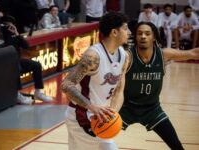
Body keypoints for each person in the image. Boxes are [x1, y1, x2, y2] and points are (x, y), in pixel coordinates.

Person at [119, 21, 199, 149]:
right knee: (98, 137)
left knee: (177, 146)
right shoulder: (127, 56)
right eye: (139, 33)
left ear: (154, 37)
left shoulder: (163, 55)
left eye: (147, 33)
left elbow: (193, 53)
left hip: (152, 109)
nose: (143, 36)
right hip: (126, 108)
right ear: (135, 37)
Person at [61, 12, 131, 150]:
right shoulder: (93, 57)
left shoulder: (124, 56)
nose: (129, 32)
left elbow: (119, 90)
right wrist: (91, 106)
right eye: (125, 28)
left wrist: (112, 114)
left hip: (101, 118)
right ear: (114, 32)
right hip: (81, 117)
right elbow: (66, 85)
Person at [0, 15, 53, 104]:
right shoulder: (1, 36)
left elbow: (26, 46)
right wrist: (6, 32)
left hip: (17, 60)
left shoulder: (14, 34)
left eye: (11, 25)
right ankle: (17, 95)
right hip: (6, 63)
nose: (9, 27)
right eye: (7, 25)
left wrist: (17, 33)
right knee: (16, 67)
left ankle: (38, 92)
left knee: (36, 65)